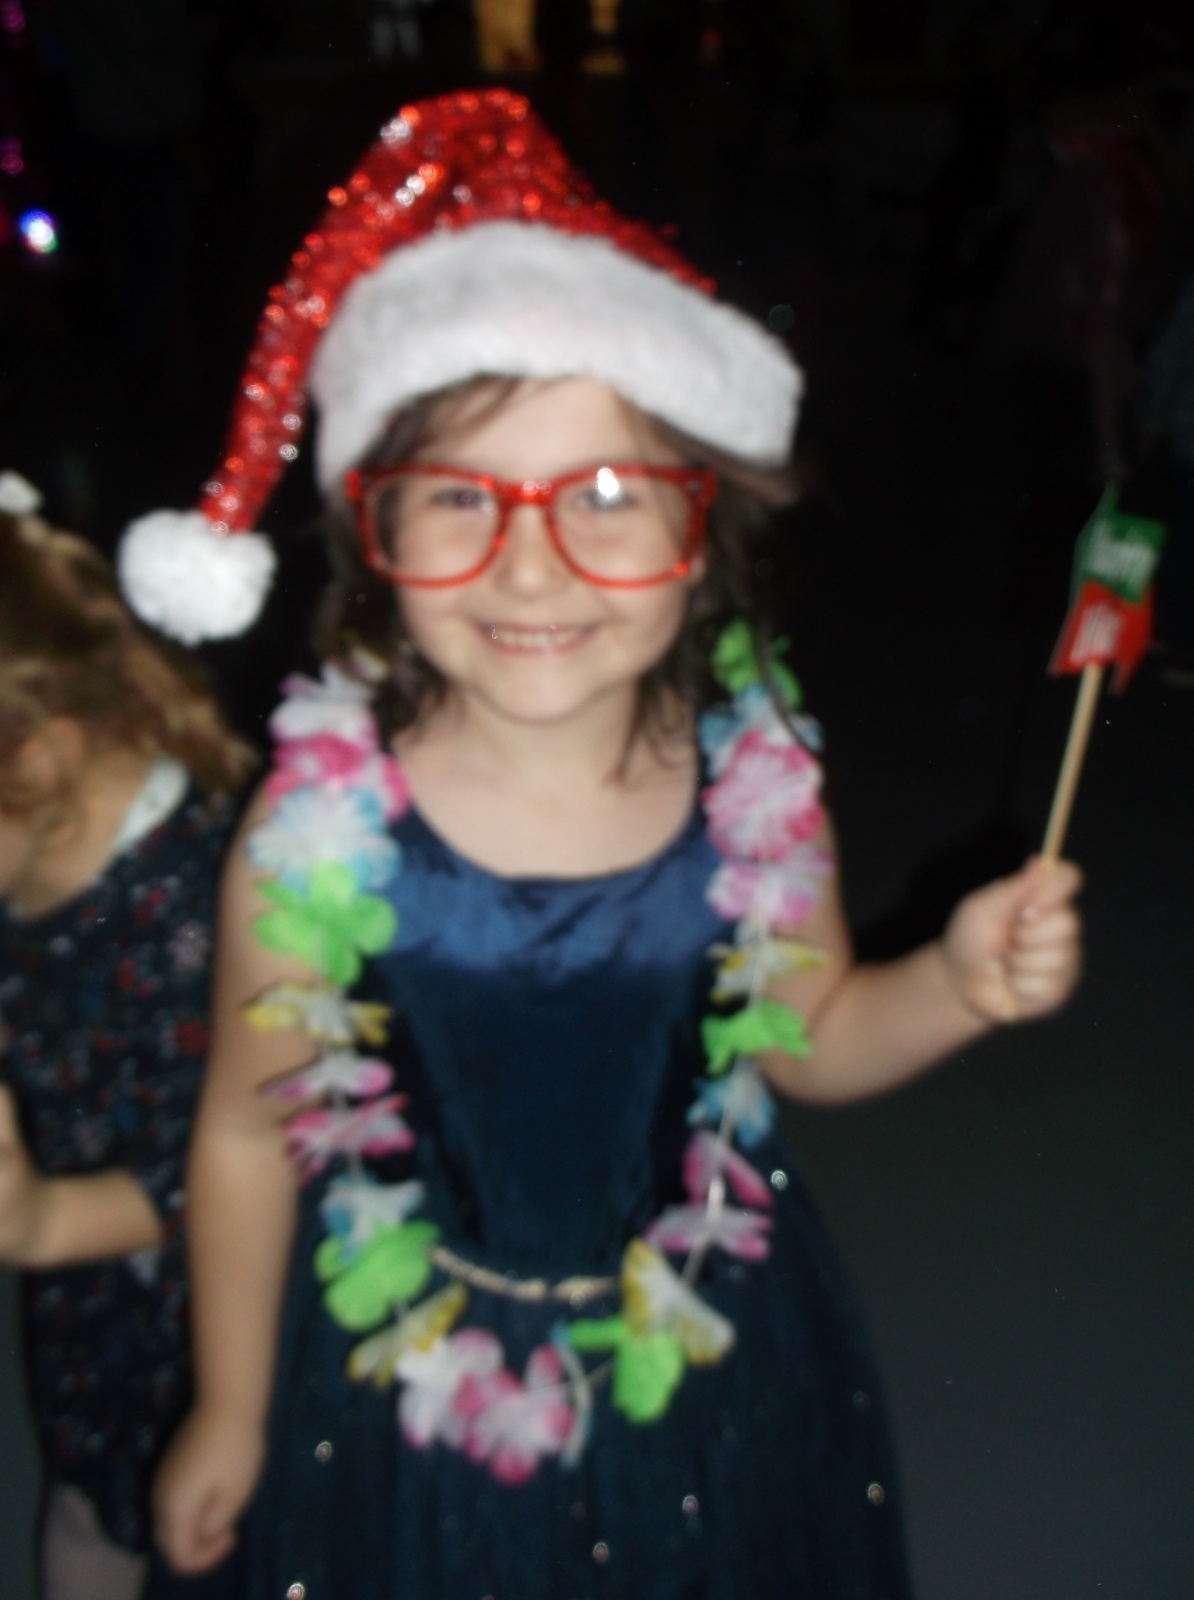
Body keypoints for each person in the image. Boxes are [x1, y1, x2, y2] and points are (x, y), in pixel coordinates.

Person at [143, 91, 1083, 1599]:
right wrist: (233, 1405)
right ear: (374, 531)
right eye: (460, 497)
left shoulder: (757, 789)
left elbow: (818, 1032)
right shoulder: (312, 838)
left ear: (701, 534)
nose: (531, 566)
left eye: (603, 495)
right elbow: (249, 1135)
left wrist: (954, 988)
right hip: (402, 1380)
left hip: (704, 1346)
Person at [0, 488, 254, 1600]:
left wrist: (42, 1221)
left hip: (207, 1318)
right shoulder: (30, 834)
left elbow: (224, 1170)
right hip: (86, 1315)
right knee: (88, 1508)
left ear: (44, 757)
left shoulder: (195, 903)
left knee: (194, 1531)